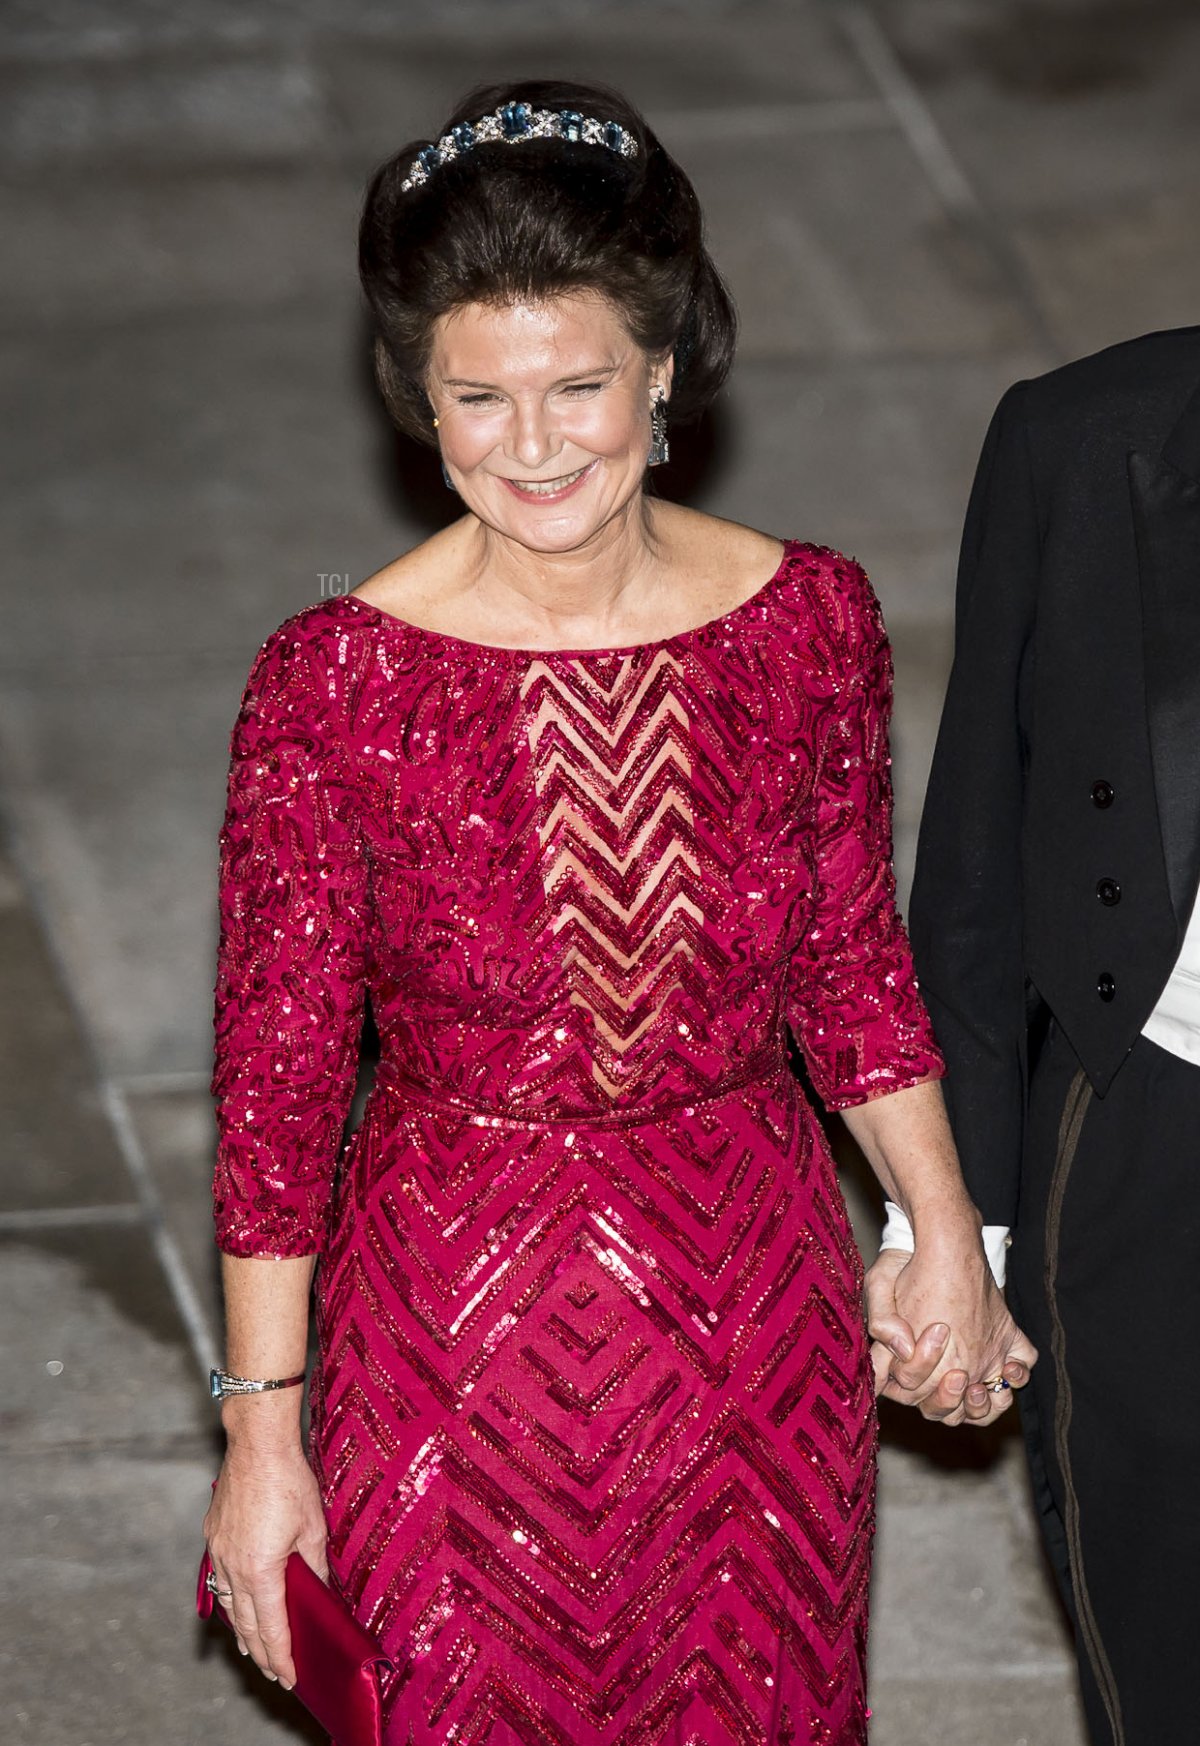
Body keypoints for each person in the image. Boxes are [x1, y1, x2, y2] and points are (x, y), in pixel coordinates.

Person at [200, 78, 1034, 1746]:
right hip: (449, 1328)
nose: (533, 445)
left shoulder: (805, 623)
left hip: (756, 1314)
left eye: (577, 385)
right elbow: (280, 1102)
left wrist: (942, 1234)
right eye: (477, 399)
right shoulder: (336, 683)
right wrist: (262, 1436)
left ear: (661, 370)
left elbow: (853, 968)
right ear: (416, 406)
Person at [895, 327, 1200, 1746]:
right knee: (1163, 1629)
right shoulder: (1081, 441)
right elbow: (978, 862)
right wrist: (957, 1230)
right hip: (1160, 1118)